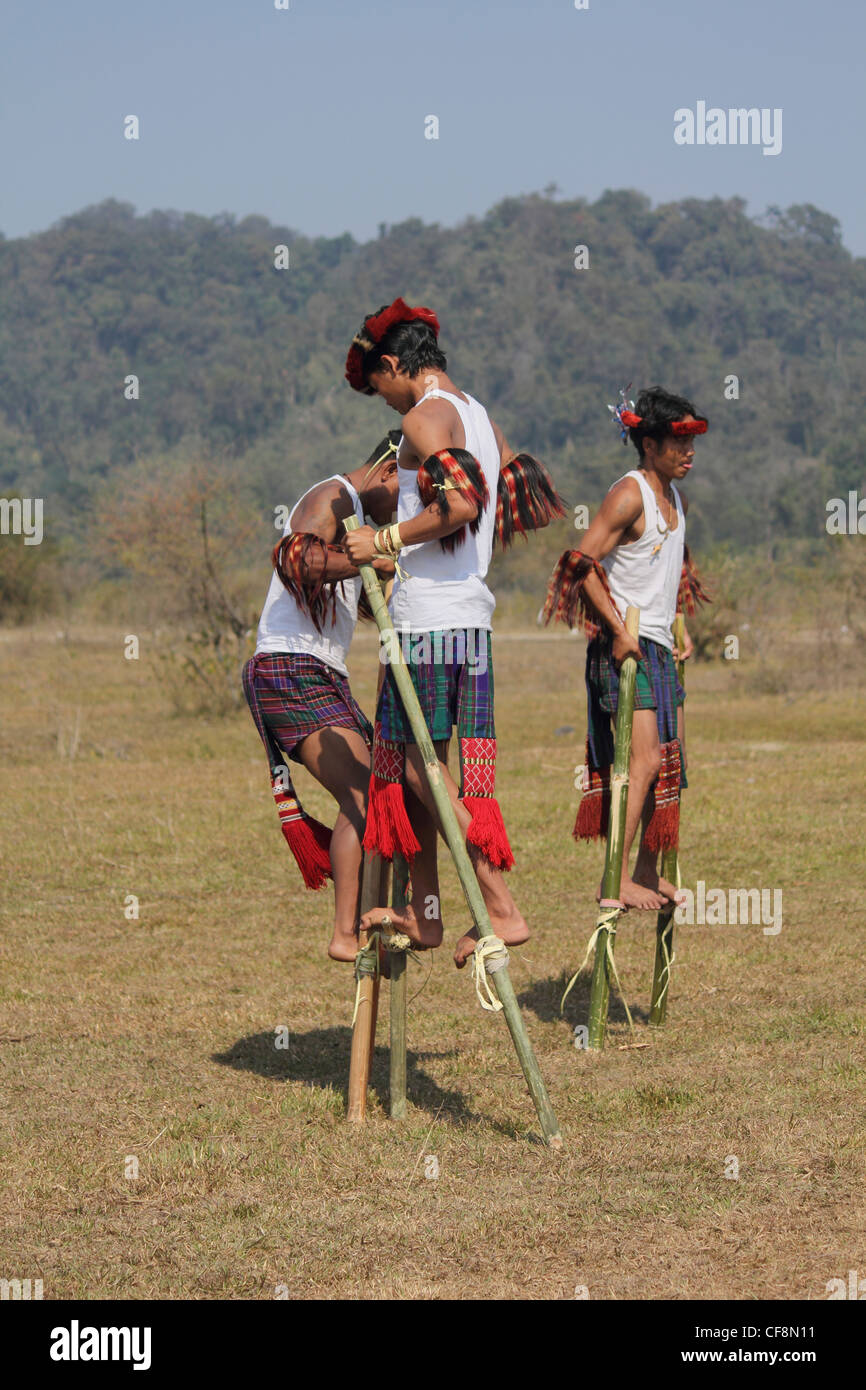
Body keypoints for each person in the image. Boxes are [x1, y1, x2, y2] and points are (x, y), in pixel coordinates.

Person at [343, 297, 565, 966]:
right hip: (468, 619)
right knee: (430, 771)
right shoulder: (479, 417)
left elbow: (462, 503)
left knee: (416, 768)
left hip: (428, 624)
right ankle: (428, 912)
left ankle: (500, 906)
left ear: (392, 365)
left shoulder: (426, 415)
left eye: (376, 384)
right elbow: (496, 502)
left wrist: (382, 538)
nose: (381, 402)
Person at [544, 385, 709, 910]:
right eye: (677, 443)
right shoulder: (630, 493)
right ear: (649, 444)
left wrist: (677, 630)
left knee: (671, 764)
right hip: (623, 650)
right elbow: (580, 563)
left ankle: (645, 871)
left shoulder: (674, 498)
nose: (688, 453)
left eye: (690, 443)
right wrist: (618, 631)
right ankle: (611, 880)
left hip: (658, 648)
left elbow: (666, 572)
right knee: (644, 761)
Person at [242, 431, 400, 961]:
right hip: (292, 669)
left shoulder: (357, 525)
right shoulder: (331, 497)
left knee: (381, 789)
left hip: (320, 674)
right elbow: (297, 563)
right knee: (365, 796)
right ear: (386, 470)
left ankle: (373, 912)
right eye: (408, 490)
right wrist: (369, 558)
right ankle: (346, 933)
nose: (405, 509)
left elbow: (346, 589)